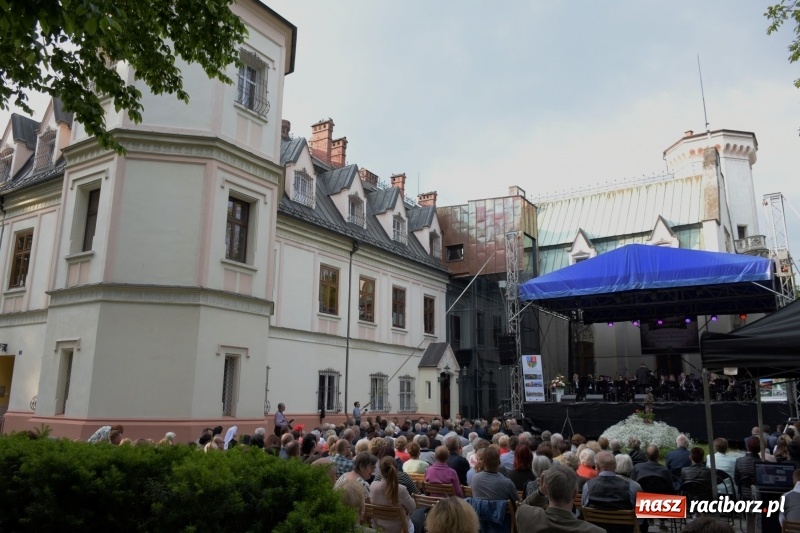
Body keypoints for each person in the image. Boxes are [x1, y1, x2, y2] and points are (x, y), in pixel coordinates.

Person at [517, 464, 605, 533]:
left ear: (546, 490)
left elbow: (523, 507)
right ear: (575, 494)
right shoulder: (595, 531)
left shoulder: (527, 517)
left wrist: (540, 492)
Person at [370, 456, 415, 533]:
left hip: (380, 529)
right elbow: (412, 508)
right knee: (419, 516)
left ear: (381, 471)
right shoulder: (401, 490)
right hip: (401, 530)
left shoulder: (373, 486)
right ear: (396, 470)